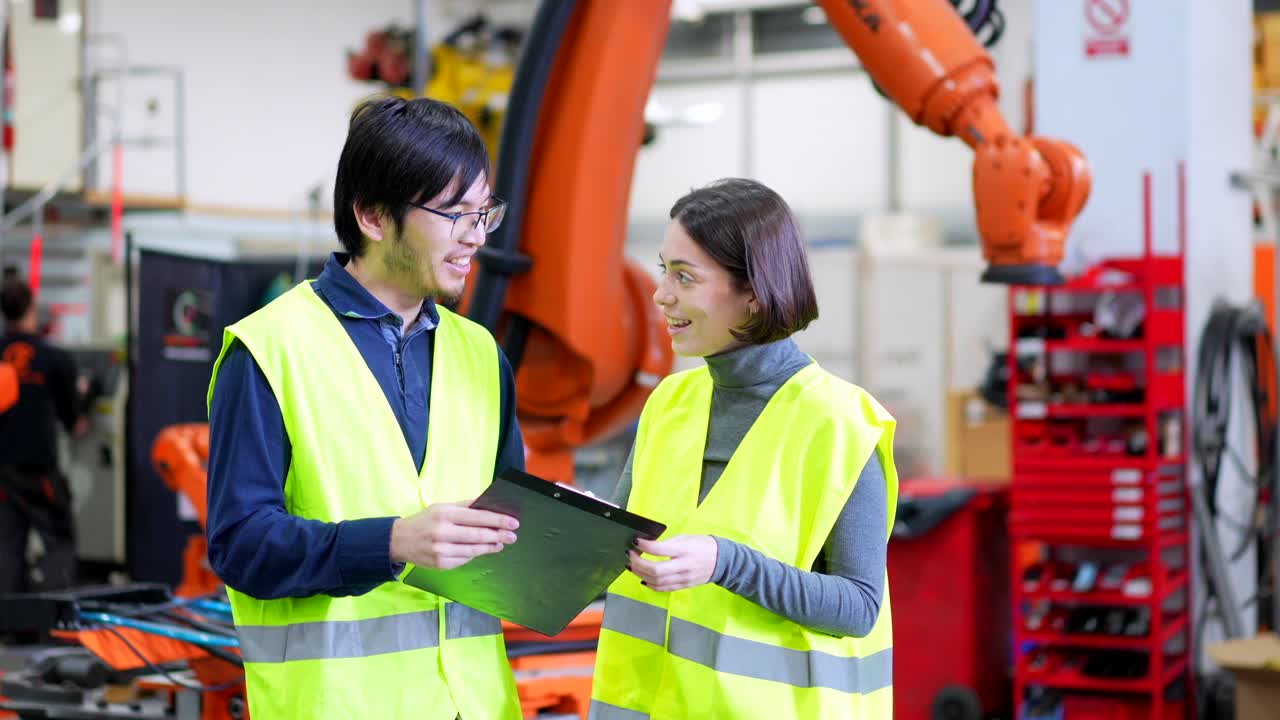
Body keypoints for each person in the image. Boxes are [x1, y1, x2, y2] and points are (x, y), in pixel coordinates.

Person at [206, 96, 525, 719]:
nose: (478, 235)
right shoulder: (270, 349)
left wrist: (568, 538)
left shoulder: (481, 354)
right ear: (373, 216)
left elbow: (508, 532)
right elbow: (242, 545)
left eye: (484, 212)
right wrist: (393, 542)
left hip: (475, 706)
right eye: (455, 214)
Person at [590, 178, 899, 719]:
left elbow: (857, 607)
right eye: (664, 270)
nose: (661, 294)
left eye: (684, 276)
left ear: (754, 293)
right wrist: (568, 523)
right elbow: (617, 545)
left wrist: (726, 562)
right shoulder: (669, 402)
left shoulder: (840, 423)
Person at [0, 275, 85, 597]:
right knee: (58, 541)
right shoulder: (53, 359)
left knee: (7, 546)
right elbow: (74, 422)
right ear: (32, 307)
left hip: (3, 472)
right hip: (38, 472)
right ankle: (54, 616)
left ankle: (8, 618)